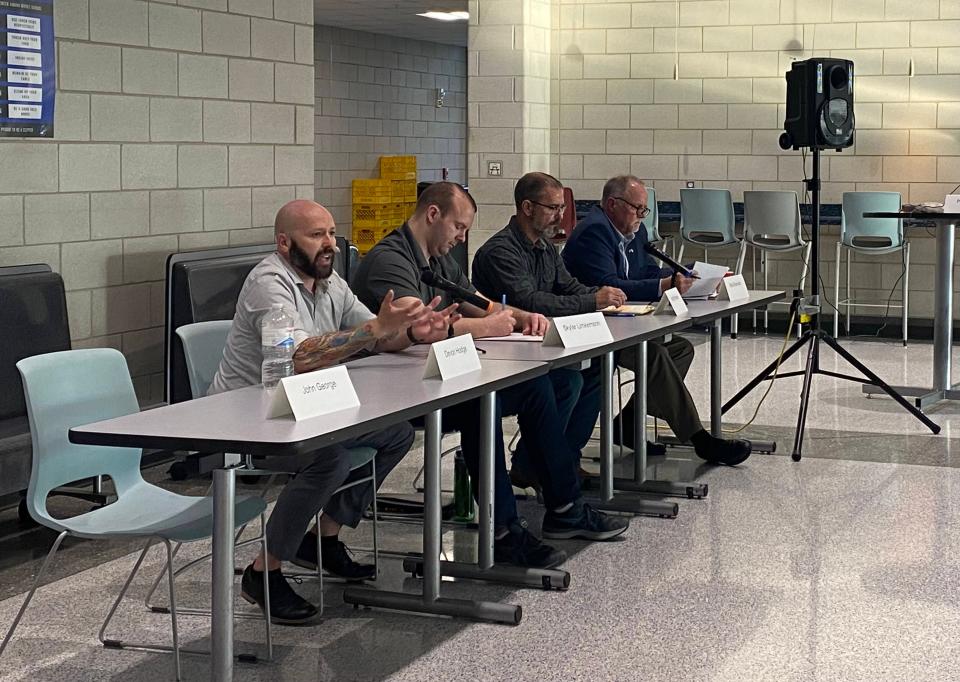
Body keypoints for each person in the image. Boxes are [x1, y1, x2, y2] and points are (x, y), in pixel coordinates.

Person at [209, 199, 458, 624]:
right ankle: (262, 572)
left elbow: (374, 338)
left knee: (396, 433)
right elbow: (299, 356)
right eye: (317, 235)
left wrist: (414, 333)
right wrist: (377, 329)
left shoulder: (329, 281)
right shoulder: (269, 283)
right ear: (284, 242)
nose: (331, 245)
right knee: (331, 456)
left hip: (309, 406)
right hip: (252, 417)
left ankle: (323, 540)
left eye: (330, 233)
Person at [352, 182, 628, 565]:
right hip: (395, 393)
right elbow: (425, 328)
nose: (462, 237)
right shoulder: (391, 260)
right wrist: (486, 326)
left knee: (544, 384)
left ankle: (565, 507)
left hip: (435, 379)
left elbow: (479, 305)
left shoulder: (440, 259)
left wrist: (520, 317)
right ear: (433, 215)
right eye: (459, 227)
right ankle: (504, 530)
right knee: (483, 406)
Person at [560, 174, 752, 465]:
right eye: (636, 208)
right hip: (593, 327)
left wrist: (684, 273)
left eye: (644, 210)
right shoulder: (594, 232)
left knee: (680, 349)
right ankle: (698, 438)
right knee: (656, 354)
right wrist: (663, 286)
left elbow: (644, 272)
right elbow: (608, 284)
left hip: (625, 323)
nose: (641, 216)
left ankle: (627, 424)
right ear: (612, 204)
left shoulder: (633, 231)